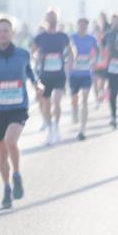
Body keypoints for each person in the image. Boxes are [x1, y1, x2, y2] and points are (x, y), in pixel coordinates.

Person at [0, 14, 41, 209]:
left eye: (6, 30)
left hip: (18, 107)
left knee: (11, 141)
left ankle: (17, 174)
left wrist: (38, 83)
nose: (2, 34)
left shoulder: (22, 54)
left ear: (12, 33)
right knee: (1, 153)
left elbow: (30, 72)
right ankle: (7, 188)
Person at [30, 8, 71, 145]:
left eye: (54, 17)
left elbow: (71, 52)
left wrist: (69, 63)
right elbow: (33, 51)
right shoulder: (40, 37)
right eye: (50, 17)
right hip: (44, 75)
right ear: (46, 20)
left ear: (57, 20)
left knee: (57, 101)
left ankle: (56, 127)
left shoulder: (63, 36)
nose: (52, 20)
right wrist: (37, 57)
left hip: (59, 74)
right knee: (45, 104)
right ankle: (50, 129)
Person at [68, 17, 97, 140]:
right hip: (74, 74)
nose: (83, 27)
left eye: (85, 25)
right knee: (75, 99)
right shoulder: (72, 38)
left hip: (86, 73)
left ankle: (82, 129)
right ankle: (74, 110)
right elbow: (67, 52)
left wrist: (94, 61)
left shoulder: (91, 39)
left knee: (84, 99)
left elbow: (97, 52)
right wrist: (70, 61)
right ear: (77, 25)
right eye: (81, 25)